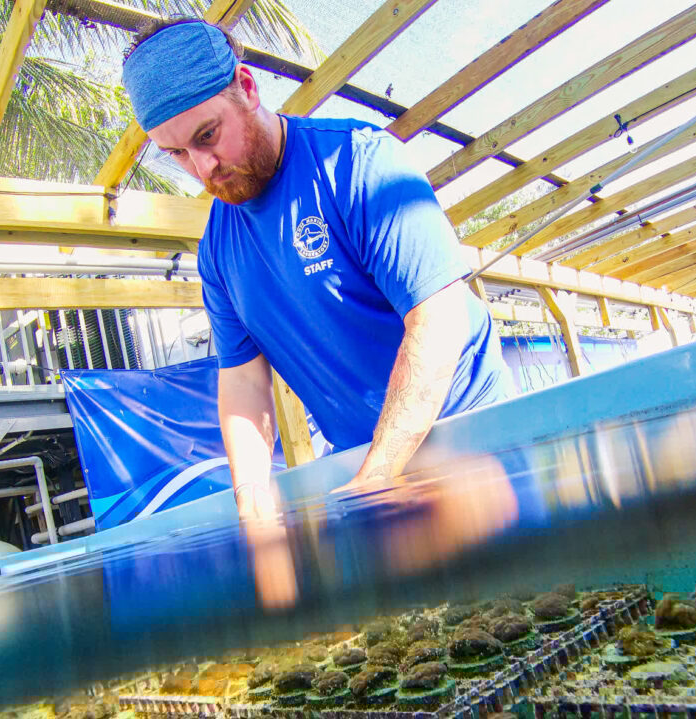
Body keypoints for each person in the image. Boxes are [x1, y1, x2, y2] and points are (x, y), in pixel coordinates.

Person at [122, 18, 518, 605]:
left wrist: (381, 476)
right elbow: (243, 385)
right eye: (176, 154)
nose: (202, 168)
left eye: (208, 136)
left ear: (248, 87)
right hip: (364, 461)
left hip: (472, 434)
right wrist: (259, 521)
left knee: (508, 604)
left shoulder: (361, 162)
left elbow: (437, 320)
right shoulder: (217, 251)